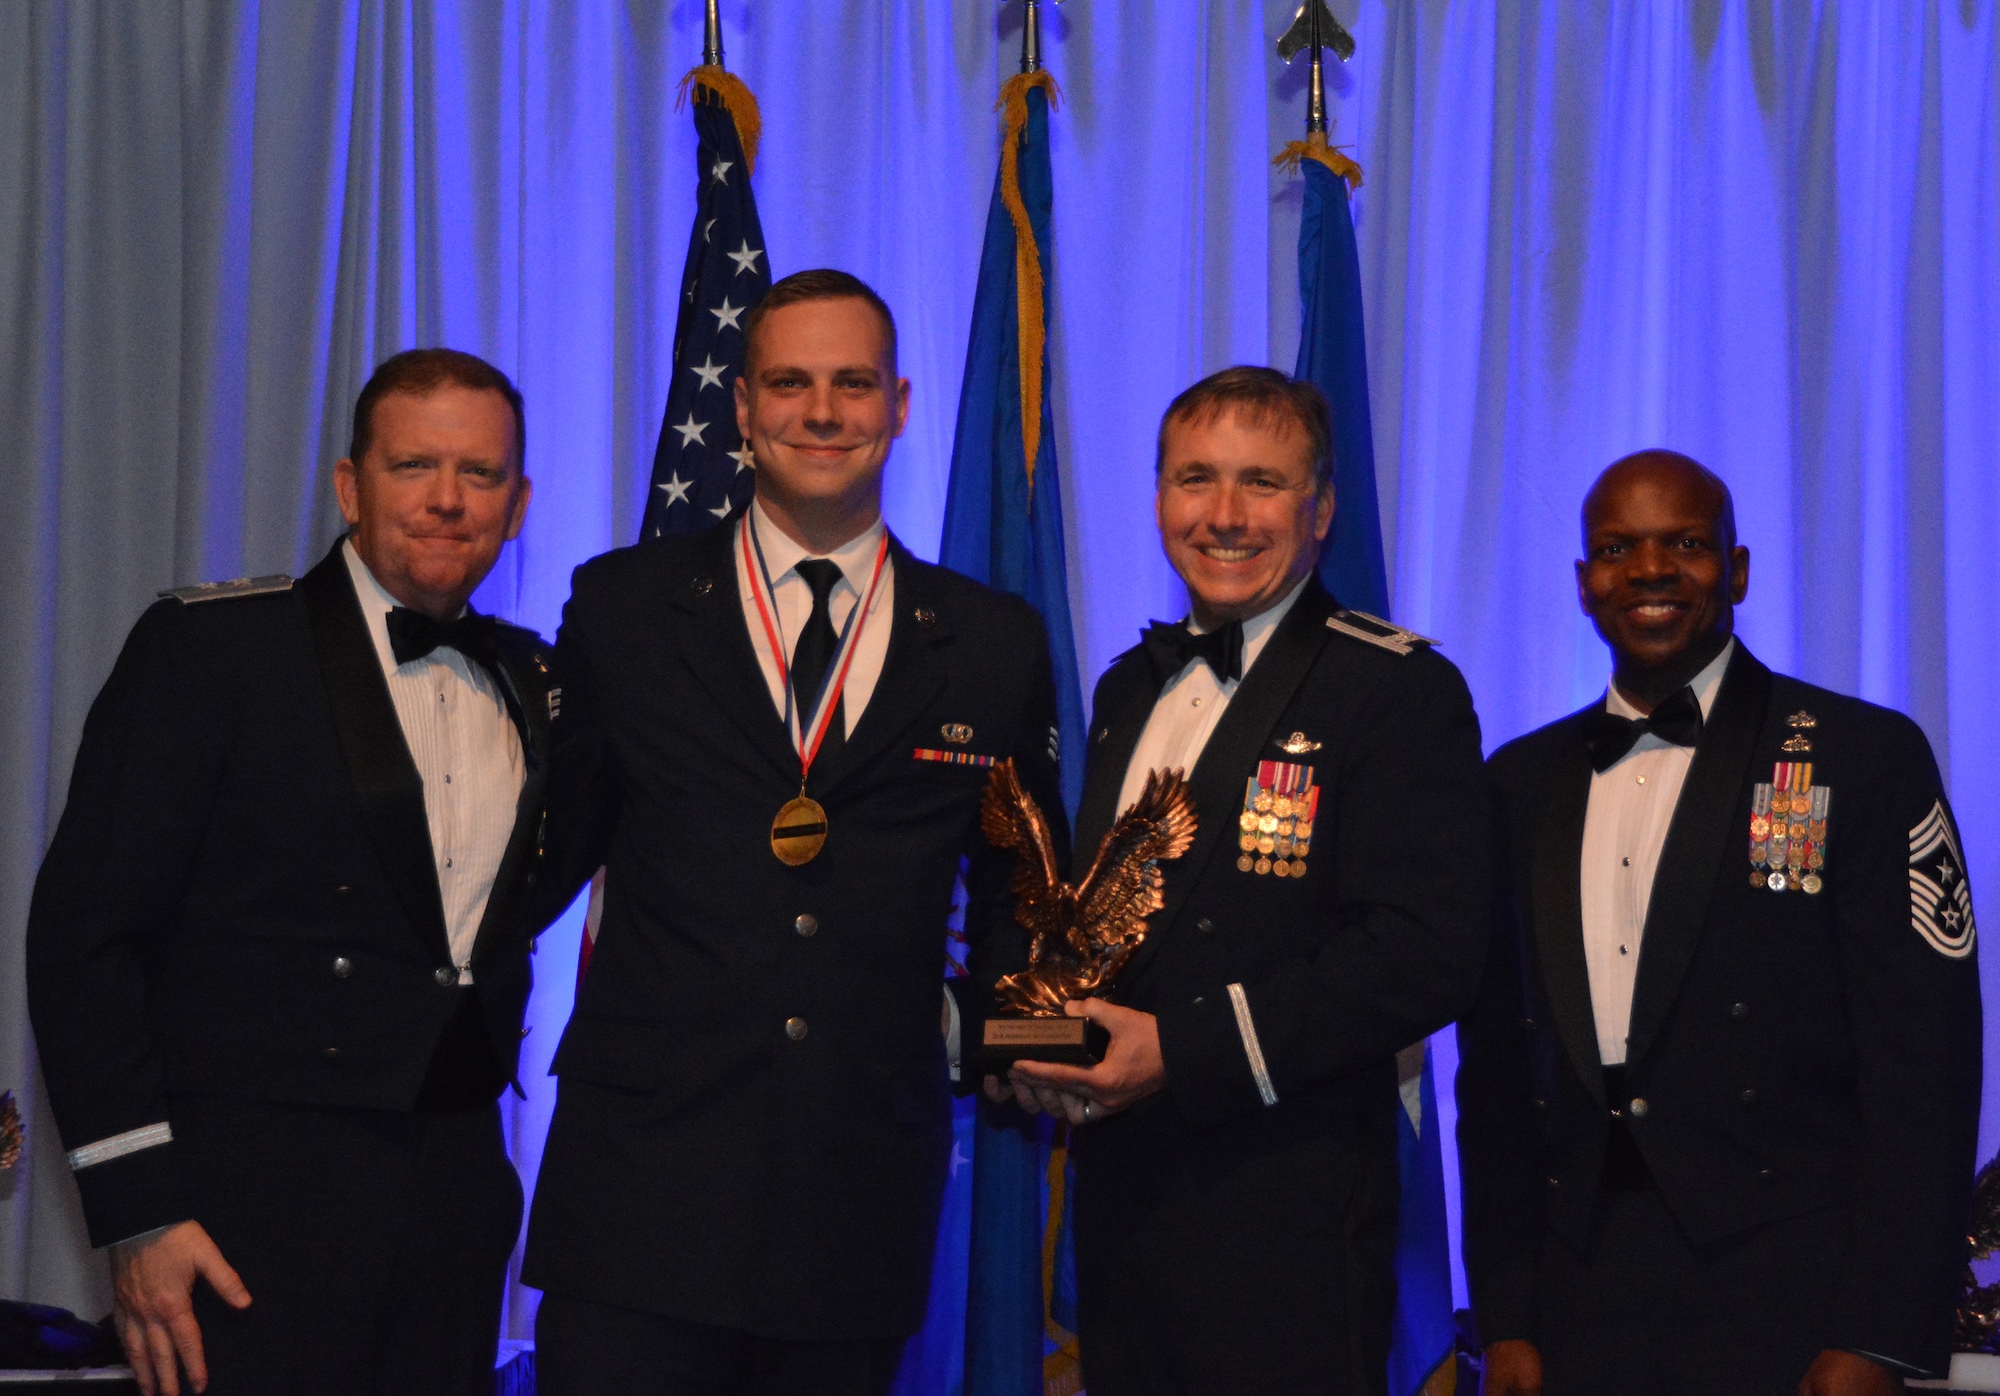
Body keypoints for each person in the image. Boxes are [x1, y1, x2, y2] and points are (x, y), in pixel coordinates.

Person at [523, 269, 1066, 1396]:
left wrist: (989, 1037)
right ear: (740, 408)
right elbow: (536, 852)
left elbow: (1029, 888)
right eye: (790, 381)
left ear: (900, 404)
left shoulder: (989, 640)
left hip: (856, 1182)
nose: (822, 411)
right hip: (637, 1189)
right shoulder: (621, 606)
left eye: (852, 382)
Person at [27, 349, 555, 1396]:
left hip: (455, 1197)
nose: (447, 500)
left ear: (519, 500)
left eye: (480, 474)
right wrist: (140, 1207)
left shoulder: (539, 683)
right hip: (244, 1206)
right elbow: (84, 937)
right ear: (350, 485)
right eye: (413, 466)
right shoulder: (212, 650)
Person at [989, 365, 1492, 1395]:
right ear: (1159, 497)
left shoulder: (1394, 688)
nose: (1222, 515)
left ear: (1320, 510)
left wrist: (1177, 1050)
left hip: (1283, 1217)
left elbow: (1423, 954)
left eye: (1260, 482)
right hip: (1124, 1205)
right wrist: (1032, 1042)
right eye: (1193, 479)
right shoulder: (1128, 686)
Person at [1456, 450, 1982, 1396]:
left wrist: (1880, 1334)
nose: (1650, 569)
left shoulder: (1862, 757)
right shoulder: (1516, 782)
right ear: (1584, 584)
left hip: (1792, 1298)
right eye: (1617, 548)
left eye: (1686, 543)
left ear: (1737, 569)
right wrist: (1506, 1317)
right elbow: (1495, 1078)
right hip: (1578, 1302)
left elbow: (1925, 1074)